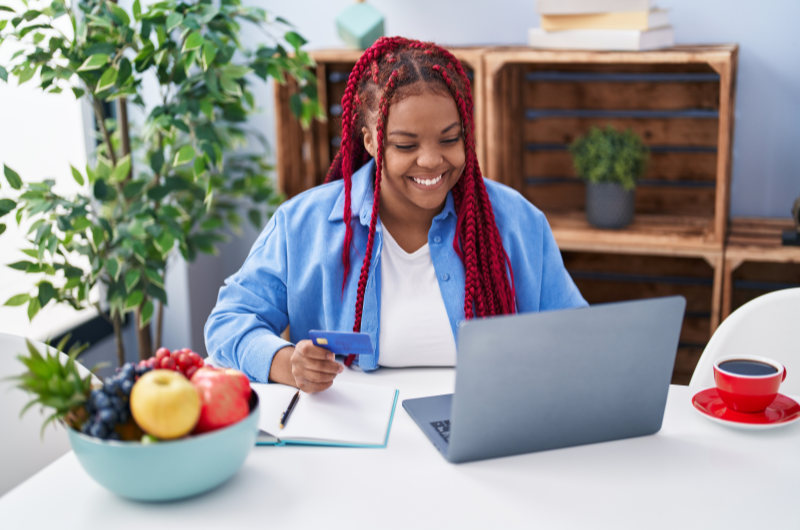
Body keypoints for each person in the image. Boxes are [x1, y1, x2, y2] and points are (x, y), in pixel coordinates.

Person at [204, 37, 587, 393]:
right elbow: (229, 321)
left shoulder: (517, 222)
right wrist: (286, 363)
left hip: (486, 427)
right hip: (351, 439)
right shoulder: (302, 224)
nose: (432, 160)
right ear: (370, 141)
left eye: (451, 139)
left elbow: (577, 336)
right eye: (406, 144)